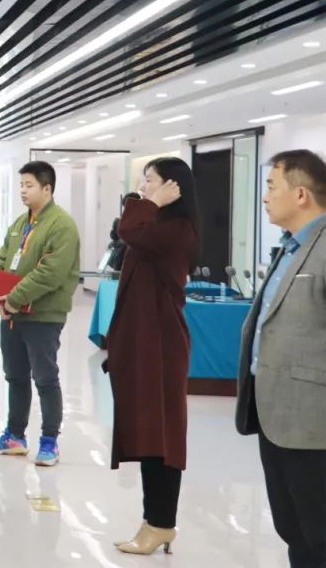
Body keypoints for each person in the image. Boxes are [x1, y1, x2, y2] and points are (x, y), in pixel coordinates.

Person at [236, 149, 326, 568]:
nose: (265, 196)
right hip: (275, 414)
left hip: (314, 423)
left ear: (301, 194)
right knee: (294, 529)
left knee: (319, 532)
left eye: (272, 186)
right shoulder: (289, 247)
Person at [106, 158, 199, 555]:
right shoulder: (156, 227)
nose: (143, 188)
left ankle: (162, 523)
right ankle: (152, 521)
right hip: (144, 342)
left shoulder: (177, 229)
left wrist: (152, 203)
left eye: (150, 181)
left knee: (162, 435)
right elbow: (126, 233)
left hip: (160, 344)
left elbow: (128, 229)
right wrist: (150, 203)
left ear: (173, 187)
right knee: (148, 433)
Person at [0, 161, 81, 467]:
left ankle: (50, 441)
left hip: (43, 314)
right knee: (15, 376)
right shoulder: (21, 222)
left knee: (45, 377)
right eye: (21, 185)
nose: (23, 191)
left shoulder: (61, 225)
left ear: (47, 188)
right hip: (12, 313)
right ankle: (15, 436)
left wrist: (15, 298)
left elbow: (51, 273)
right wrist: (0, 297)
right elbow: (2, 259)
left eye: (29, 185)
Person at [108, 192, 142, 273]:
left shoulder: (122, 220)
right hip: (123, 263)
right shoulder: (121, 221)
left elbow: (115, 237)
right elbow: (114, 237)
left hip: (129, 263)